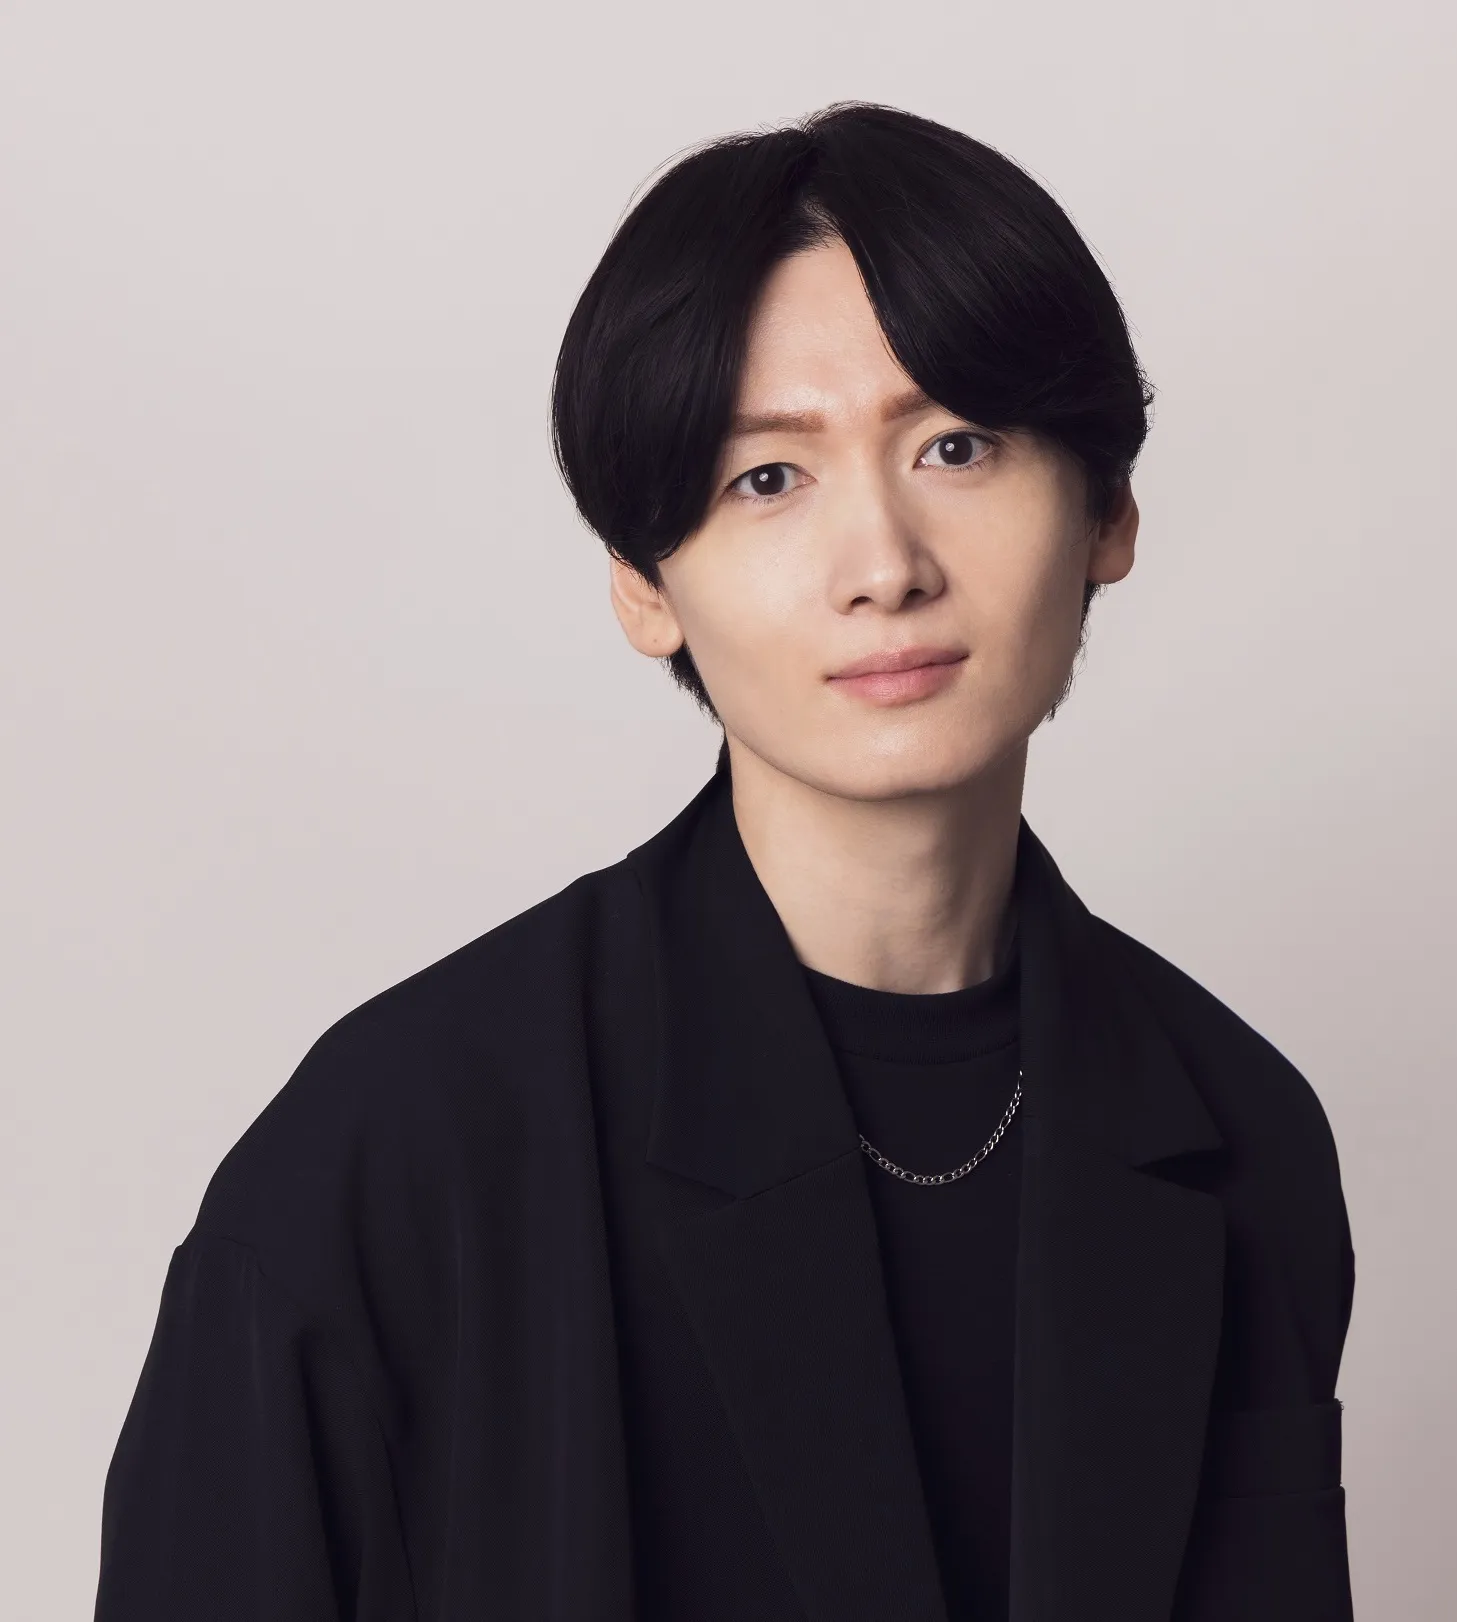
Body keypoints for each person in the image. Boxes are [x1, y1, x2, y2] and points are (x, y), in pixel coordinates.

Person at [93, 102, 1356, 1622]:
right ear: (644, 586)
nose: (885, 564)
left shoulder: (1244, 1137)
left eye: (956, 445)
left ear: (1108, 512)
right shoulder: (390, 1160)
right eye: (769, 477)